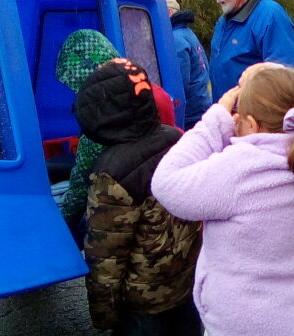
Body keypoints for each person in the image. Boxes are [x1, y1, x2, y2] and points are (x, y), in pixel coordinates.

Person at [151, 63, 294, 336]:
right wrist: (275, 72)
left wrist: (217, 119)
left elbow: (165, 182)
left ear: (253, 124)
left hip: (251, 327)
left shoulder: (238, 170)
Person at [73, 58, 202, 336]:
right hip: (187, 285)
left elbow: (105, 260)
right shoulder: (176, 138)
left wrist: (105, 317)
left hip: (145, 305)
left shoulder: (111, 172)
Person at [55, 30, 177, 242]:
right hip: (168, 210)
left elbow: (80, 184)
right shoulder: (150, 90)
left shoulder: (102, 117)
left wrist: (60, 227)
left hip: (129, 212)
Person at [196, 0, 294, 100]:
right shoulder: (223, 22)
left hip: (256, 120)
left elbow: (288, 80)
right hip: (228, 118)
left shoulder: (271, 16)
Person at [165, 0, 211, 129]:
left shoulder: (175, 39)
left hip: (190, 114)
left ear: (168, 12)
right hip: (201, 103)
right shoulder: (187, 33)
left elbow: (179, 82)